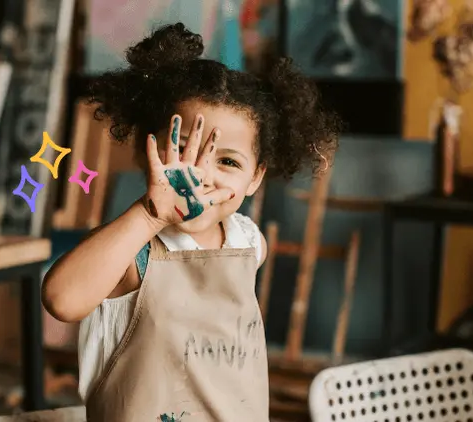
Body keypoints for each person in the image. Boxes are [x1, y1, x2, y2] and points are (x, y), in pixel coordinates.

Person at [42, 22, 341, 421]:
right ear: (150, 149)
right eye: (182, 152)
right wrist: (150, 214)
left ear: (255, 178)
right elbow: (61, 300)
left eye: (228, 162)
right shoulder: (134, 249)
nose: (200, 175)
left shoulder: (248, 243)